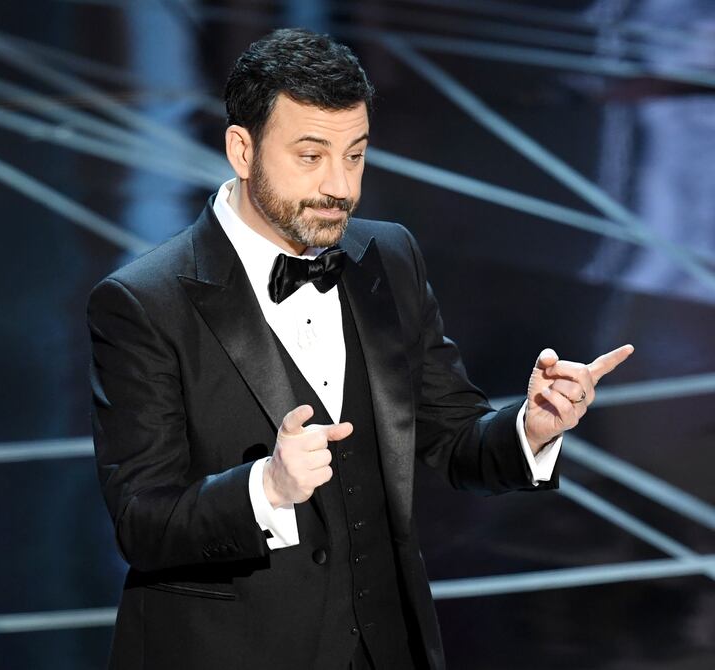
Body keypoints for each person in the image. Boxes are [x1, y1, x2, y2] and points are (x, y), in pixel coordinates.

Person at [87, 28, 633, 670]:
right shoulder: (143, 302)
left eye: (355, 155)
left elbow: (451, 436)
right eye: (311, 156)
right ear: (242, 149)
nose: (339, 186)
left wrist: (530, 428)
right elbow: (142, 524)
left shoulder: (388, 256)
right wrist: (267, 487)